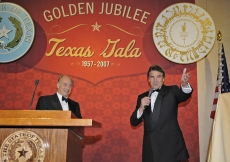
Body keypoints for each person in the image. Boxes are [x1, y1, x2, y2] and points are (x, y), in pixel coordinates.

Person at [130, 65, 192, 162]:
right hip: (150, 148)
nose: (155, 80)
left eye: (158, 76)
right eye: (152, 77)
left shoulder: (172, 91)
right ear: (148, 79)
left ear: (163, 78)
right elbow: (133, 122)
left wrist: (184, 84)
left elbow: (183, 96)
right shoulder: (142, 97)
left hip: (170, 147)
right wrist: (141, 108)